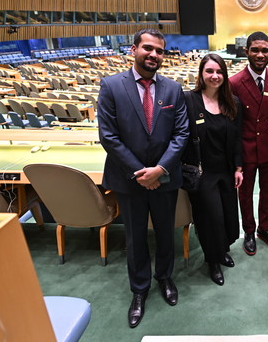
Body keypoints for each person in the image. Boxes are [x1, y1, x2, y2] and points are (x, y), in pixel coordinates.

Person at [97, 28, 189, 328]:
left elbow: (181, 134)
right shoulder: (111, 86)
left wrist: (160, 170)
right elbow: (109, 137)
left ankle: (164, 278)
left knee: (166, 233)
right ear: (133, 49)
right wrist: (141, 173)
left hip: (164, 177)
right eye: (147, 48)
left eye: (159, 51)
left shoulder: (173, 89)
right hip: (129, 179)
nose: (153, 55)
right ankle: (139, 290)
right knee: (135, 238)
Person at [182, 54, 243, 285]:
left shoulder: (232, 102)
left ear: (224, 75)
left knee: (227, 216)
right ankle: (213, 261)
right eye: (209, 71)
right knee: (211, 219)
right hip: (201, 172)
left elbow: (237, 138)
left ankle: (221, 250)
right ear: (201, 74)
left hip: (226, 171)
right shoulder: (189, 100)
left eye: (219, 72)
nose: (214, 76)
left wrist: (238, 167)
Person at [230, 31, 268, 255]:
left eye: (265, 50)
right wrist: (236, 159)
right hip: (245, 149)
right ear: (246, 52)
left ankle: (264, 228)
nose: (260, 54)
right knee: (245, 195)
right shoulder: (234, 82)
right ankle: (249, 232)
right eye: (255, 50)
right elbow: (232, 124)